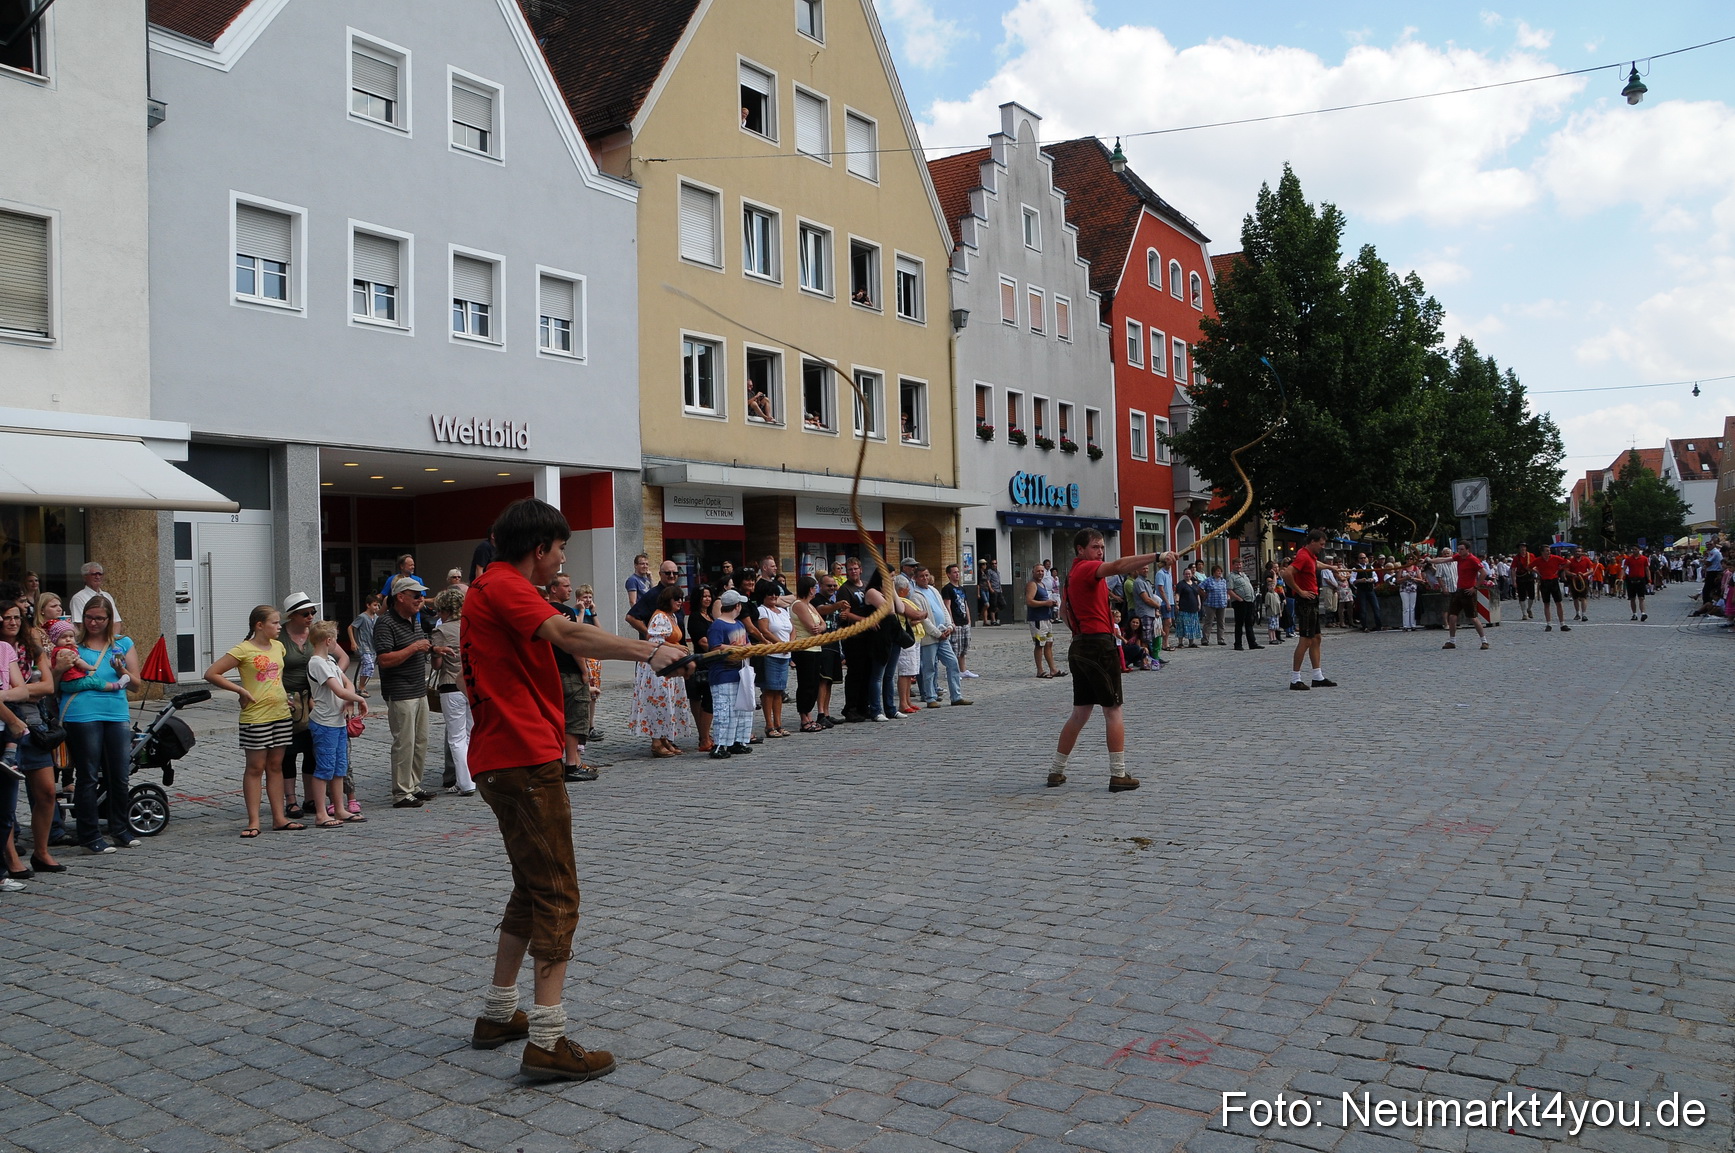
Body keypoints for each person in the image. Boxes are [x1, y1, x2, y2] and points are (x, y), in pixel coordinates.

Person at [460, 497, 686, 1081]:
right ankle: (549, 1039)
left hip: (501, 757)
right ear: (539, 549)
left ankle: (497, 1013)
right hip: (521, 756)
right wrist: (649, 651)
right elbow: (566, 634)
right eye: (559, 550)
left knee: (531, 890)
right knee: (559, 892)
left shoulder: (490, 588)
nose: (562, 562)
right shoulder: (507, 586)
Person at [1047, 531, 1173, 792]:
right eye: (1095, 547)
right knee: (1113, 709)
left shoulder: (1071, 575)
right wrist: (1158, 555)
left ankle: (1056, 771)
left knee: (1080, 713)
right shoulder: (1087, 568)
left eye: (1102, 547)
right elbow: (1118, 566)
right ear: (1080, 550)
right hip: (1097, 646)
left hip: (1080, 644)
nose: (1100, 552)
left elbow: (1064, 612)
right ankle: (1118, 774)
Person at [203, 605, 299, 836]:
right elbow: (212, 673)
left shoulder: (278, 647)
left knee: (276, 766)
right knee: (255, 767)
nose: (279, 627)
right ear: (259, 625)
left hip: (280, 714)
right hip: (256, 717)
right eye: (274, 623)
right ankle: (253, 821)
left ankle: (279, 817)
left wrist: (284, 696)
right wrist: (241, 691)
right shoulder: (243, 649)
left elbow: (277, 676)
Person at [0, 601, 63, 873]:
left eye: (16, 617)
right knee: (7, 801)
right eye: (6, 618)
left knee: (47, 792)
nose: (12, 622)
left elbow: (47, 686)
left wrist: (12, 693)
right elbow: (28, 689)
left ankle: (41, 851)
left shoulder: (29, 646)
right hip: (6, 727)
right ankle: (11, 858)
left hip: (35, 725)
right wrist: (26, 690)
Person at [373, 576, 435, 807]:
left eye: (421, 596)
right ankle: (401, 792)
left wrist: (434, 648)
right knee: (405, 742)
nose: (421, 599)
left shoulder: (413, 620)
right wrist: (414, 647)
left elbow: (419, 646)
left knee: (421, 741)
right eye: (416, 595)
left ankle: (413, 786)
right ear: (400, 597)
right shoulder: (385, 623)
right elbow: (385, 659)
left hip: (419, 689)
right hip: (400, 691)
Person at [305, 620, 368, 826]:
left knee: (339, 767)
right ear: (328, 640)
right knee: (324, 768)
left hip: (338, 721)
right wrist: (359, 698)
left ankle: (339, 808)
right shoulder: (317, 663)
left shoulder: (330, 661)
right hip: (325, 723)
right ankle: (321, 812)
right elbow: (338, 689)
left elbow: (346, 682)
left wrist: (351, 697)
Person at [630, 584, 695, 756]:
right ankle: (656, 741)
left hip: (671, 665)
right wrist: (677, 647)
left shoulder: (671, 616)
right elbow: (655, 639)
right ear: (668, 600)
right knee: (659, 701)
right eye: (677, 599)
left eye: (682, 599)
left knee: (669, 702)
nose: (680, 602)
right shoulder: (659, 616)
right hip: (658, 667)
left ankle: (665, 736)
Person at [543, 575, 598, 781]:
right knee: (574, 719)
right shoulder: (564, 612)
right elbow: (575, 644)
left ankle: (566, 761)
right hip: (569, 673)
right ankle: (572, 764)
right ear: (553, 589)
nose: (569, 589)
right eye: (565, 586)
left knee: (557, 718)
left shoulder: (543, 610)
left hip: (551, 672)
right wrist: (584, 671)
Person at [276, 592, 320, 820]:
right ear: (292, 616)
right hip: (289, 700)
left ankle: (310, 798)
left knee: (312, 748)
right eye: (306, 613)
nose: (311, 616)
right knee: (289, 752)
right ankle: (291, 800)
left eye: (313, 612)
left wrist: (331, 678)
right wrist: (280, 694)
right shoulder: (279, 636)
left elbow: (342, 657)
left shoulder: (314, 634)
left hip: (313, 700)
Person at [430, 588, 475, 795]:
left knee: (456, 738)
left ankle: (465, 783)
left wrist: (433, 653)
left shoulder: (441, 631)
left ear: (445, 610)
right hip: (473, 684)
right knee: (470, 734)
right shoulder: (471, 626)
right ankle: (470, 777)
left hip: (450, 685)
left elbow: (438, 665)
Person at [1282, 529, 1336, 690]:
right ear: (1312, 542)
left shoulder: (1309, 555)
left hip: (1311, 601)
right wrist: (1299, 591)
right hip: (1305, 601)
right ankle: (1295, 678)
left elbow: (1314, 564)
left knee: (1316, 638)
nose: (1322, 547)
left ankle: (1317, 676)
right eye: (1321, 544)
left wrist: (1330, 568)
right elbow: (1287, 573)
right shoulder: (1303, 556)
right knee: (1305, 639)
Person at [706, 590, 755, 755]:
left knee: (742, 710)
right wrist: (738, 649)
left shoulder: (739, 624)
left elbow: (747, 643)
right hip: (723, 674)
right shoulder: (718, 625)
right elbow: (715, 646)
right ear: (737, 606)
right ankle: (720, 744)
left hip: (740, 673)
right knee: (725, 710)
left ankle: (738, 740)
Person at [914, 566, 969, 707]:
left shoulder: (933, 590)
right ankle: (930, 697)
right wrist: (937, 634)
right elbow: (923, 619)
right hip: (930, 637)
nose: (925, 578)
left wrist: (949, 625)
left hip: (943, 634)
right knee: (929, 667)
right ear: (915, 578)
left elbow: (943, 609)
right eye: (921, 576)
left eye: (926, 575)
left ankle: (956, 696)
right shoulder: (915, 594)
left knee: (952, 663)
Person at [1432, 542, 1490, 650]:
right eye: (1458, 549)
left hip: (1468, 592)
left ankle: (1484, 641)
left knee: (1473, 617)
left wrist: (1475, 587)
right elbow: (1444, 560)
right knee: (1452, 616)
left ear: (1467, 550)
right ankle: (1452, 641)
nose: (1459, 551)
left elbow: (1484, 573)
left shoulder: (1473, 559)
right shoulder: (1459, 557)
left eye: (1461, 549)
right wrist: (1429, 561)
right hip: (1458, 591)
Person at [789, 577, 826, 733]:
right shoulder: (798, 605)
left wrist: (820, 627)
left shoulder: (810, 605)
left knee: (814, 683)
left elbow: (823, 624)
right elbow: (812, 627)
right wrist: (818, 627)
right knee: (806, 684)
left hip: (816, 648)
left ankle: (809, 716)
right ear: (809, 589)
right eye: (814, 587)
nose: (816, 589)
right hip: (804, 648)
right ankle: (804, 717)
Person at [685, 585, 716, 751]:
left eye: (709, 596)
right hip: (703, 663)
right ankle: (704, 737)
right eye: (704, 596)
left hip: (712, 662)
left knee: (709, 700)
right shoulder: (695, 617)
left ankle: (706, 734)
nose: (707, 599)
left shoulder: (710, 616)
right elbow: (702, 642)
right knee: (705, 700)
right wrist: (719, 651)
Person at [891, 574, 925, 716]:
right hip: (906, 639)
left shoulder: (906, 601)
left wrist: (920, 615)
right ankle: (903, 703)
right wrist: (920, 615)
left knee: (911, 671)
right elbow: (917, 615)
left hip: (915, 639)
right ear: (902, 589)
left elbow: (921, 615)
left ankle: (908, 701)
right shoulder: (901, 601)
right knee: (905, 672)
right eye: (907, 587)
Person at [626, 559, 682, 639]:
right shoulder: (653, 595)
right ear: (660, 574)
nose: (672, 576)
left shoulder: (677, 593)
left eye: (675, 573)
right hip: (660, 647)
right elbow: (631, 617)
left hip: (678, 645)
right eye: (667, 573)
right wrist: (649, 633)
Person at [1026, 563, 1061, 678]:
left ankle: (1053, 669)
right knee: (1039, 644)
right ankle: (1040, 671)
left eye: (1042, 571)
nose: (1040, 573)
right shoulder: (1032, 584)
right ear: (1033, 572)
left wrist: (1051, 604)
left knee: (1049, 643)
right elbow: (1029, 601)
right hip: (1037, 619)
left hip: (1046, 618)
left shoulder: (1043, 584)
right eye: (1038, 571)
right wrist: (1046, 603)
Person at [67, 562, 123, 634]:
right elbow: (80, 624)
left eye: (100, 574)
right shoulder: (78, 598)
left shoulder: (107, 596)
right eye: (94, 574)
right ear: (85, 577)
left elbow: (116, 622)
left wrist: (113, 641)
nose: (98, 577)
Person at [349, 593, 382, 698]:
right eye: (374, 605)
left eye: (377, 605)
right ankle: (361, 687)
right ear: (368, 605)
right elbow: (350, 627)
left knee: (369, 668)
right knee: (368, 665)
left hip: (373, 646)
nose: (376, 608)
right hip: (364, 645)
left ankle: (361, 686)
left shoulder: (376, 618)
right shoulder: (362, 617)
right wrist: (353, 642)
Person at [1533, 547, 1570, 632]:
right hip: (1544, 581)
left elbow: (1567, 562)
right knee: (1546, 603)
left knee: (1559, 603)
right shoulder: (1538, 560)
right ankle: (1549, 624)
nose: (1548, 552)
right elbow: (1529, 567)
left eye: (1549, 551)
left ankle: (1562, 624)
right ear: (1542, 552)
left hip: (1554, 581)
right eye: (1546, 551)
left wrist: (1559, 569)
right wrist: (1537, 572)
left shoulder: (1555, 558)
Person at [1227, 565, 1259, 650]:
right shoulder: (1231, 576)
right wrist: (1239, 598)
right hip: (1240, 602)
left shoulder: (1244, 575)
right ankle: (1238, 644)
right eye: (1237, 564)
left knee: (1249, 623)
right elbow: (1229, 590)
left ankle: (1252, 643)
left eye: (1240, 564)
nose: (1239, 566)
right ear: (1233, 565)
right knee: (1239, 624)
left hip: (1249, 601)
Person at [1174, 565, 1203, 648]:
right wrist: (1177, 604)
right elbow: (1177, 594)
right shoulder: (1181, 584)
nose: (1188, 575)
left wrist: (1199, 604)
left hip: (1193, 609)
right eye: (1186, 574)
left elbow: (1197, 595)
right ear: (1183, 575)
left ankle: (1191, 642)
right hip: (1184, 608)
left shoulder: (1194, 584)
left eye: (1189, 574)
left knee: (1192, 626)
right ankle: (1180, 642)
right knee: (1182, 625)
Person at [1397, 555, 1425, 632]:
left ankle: (1413, 624)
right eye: (1408, 559)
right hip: (1404, 589)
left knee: (1412, 607)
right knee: (1406, 607)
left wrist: (1412, 578)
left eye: (1411, 559)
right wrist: (1405, 578)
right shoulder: (1402, 568)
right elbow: (1398, 580)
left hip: (1413, 589)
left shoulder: (1416, 568)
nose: (1409, 560)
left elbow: (1420, 579)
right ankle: (1405, 625)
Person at [1201, 565, 1229, 645]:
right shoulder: (1208, 580)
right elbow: (1200, 588)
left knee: (1221, 622)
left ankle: (1221, 639)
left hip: (1221, 604)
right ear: (1213, 572)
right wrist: (1204, 594)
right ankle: (1205, 639)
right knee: (1209, 622)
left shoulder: (1223, 581)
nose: (1219, 573)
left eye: (1220, 571)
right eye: (1218, 571)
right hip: (1210, 604)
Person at [1566, 549, 1595, 623]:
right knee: (1575, 598)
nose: (1577, 553)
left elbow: (1591, 570)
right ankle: (1577, 613)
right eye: (1576, 551)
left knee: (1583, 597)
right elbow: (1566, 571)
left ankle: (1584, 614)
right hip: (1574, 580)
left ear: (1581, 552)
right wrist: (1572, 574)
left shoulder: (1586, 560)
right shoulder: (1570, 561)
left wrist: (1584, 574)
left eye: (1579, 551)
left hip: (1583, 580)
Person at [1512, 544, 1537, 620]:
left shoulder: (1531, 555)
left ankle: (1529, 609)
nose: (1522, 548)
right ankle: (1524, 613)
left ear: (1526, 548)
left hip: (1529, 576)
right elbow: (1513, 569)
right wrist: (1514, 581)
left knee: (1532, 595)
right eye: (1521, 547)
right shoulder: (1516, 558)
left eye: (1524, 547)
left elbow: (1535, 565)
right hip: (1520, 577)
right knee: (1522, 596)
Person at [1624, 550, 1650, 622]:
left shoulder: (1644, 559)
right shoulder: (1628, 559)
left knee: (1641, 597)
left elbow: (1647, 569)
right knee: (1632, 598)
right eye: (1633, 550)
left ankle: (1643, 613)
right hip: (1631, 579)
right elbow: (1624, 568)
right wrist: (1621, 577)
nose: (1634, 551)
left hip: (1641, 579)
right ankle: (1634, 614)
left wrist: (1649, 580)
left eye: (1635, 549)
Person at [982, 560, 1002, 625]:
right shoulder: (989, 572)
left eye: (995, 563)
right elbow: (988, 581)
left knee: (1002, 604)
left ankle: (992, 614)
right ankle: (993, 620)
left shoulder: (997, 572)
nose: (994, 565)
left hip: (998, 590)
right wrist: (991, 589)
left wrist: (1000, 589)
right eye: (992, 563)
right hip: (992, 590)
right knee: (992, 605)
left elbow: (999, 581)